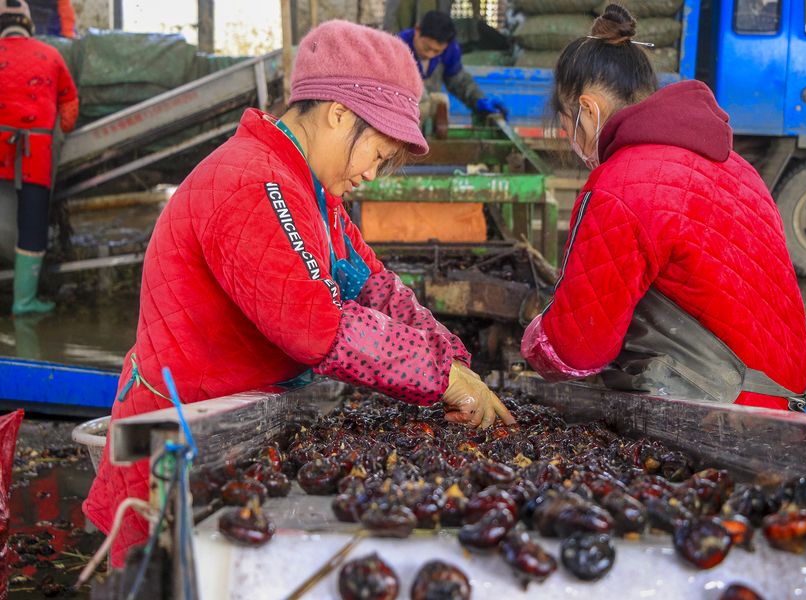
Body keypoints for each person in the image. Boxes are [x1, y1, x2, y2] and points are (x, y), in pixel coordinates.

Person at [84, 20, 514, 567]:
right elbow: (317, 326)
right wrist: (439, 377)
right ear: (340, 113)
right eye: (378, 155)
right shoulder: (252, 183)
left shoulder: (312, 194)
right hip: (183, 445)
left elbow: (375, 287)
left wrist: (453, 359)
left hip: (235, 435)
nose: (372, 175)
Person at [521, 5, 806, 410]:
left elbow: (576, 351)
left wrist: (536, 338)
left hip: (727, 406)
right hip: (785, 394)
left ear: (587, 111)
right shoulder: (735, 166)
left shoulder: (618, 186)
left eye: (568, 121)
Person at [0, 0, 78, 315]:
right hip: (36, 155)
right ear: (29, 25)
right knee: (32, 224)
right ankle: (24, 301)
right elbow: (70, 110)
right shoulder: (51, 55)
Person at [398, 10, 508, 126]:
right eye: (427, 48)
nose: (430, 54)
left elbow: (458, 81)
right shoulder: (397, 47)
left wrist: (479, 100)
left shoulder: (450, 50)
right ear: (417, 30)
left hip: (428, 124)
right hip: (401, 118)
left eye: (437, 51)